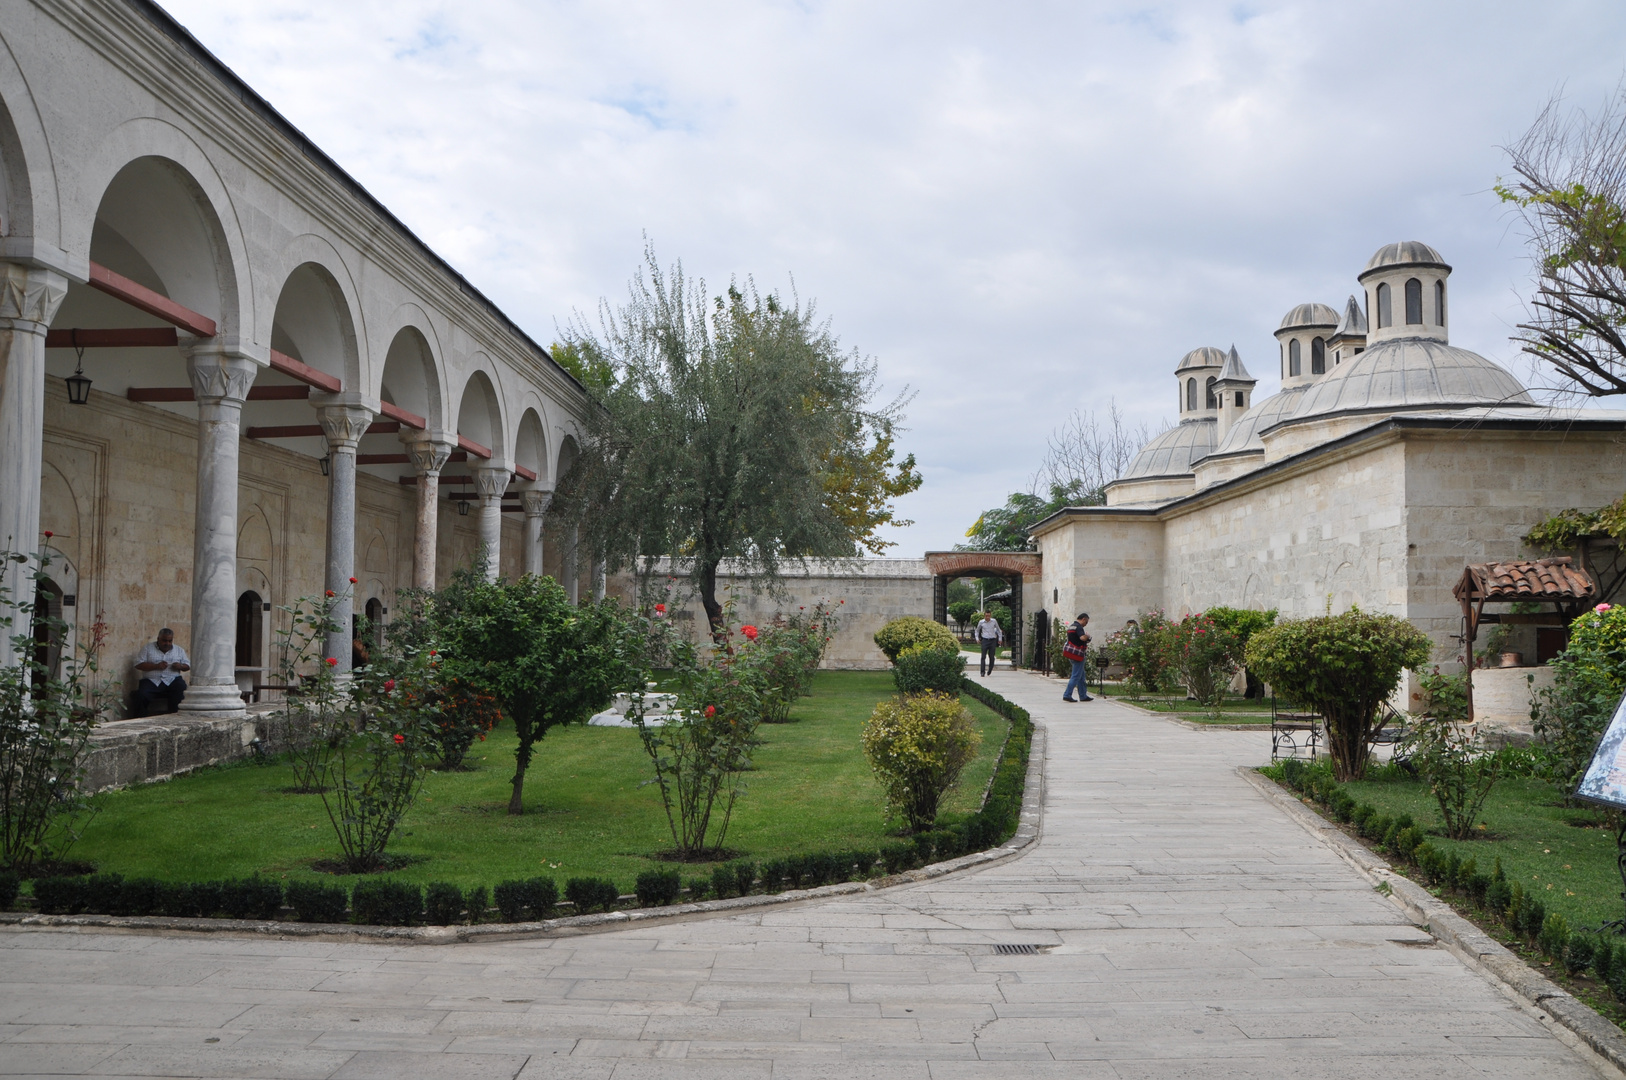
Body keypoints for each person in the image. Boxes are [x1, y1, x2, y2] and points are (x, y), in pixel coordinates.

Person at [132, 627, 190, 716]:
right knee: (141, 695)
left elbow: (187, 666)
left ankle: (175, 716)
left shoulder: (179, 650)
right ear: (158, 639)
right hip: (152, 681)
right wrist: (156, 666)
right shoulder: (147, 648)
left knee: (181, 689)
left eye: (169, 641)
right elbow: (138, 664)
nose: (167, 643)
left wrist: (180, 666)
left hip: (172, 680)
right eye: (164, 641)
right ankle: (140, 718)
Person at [1062, 612, 1093, 702]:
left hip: (1071, 653)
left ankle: (1083, 695)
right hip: (1078, 654)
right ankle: (1067, 694)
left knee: (1081, 676)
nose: (1085, 624)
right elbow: (1082, 638)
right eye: (1086, 622)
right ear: (1083, 619)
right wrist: (1087, 636)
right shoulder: (1079, 627)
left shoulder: (1071, 626)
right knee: (1075, 676)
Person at [973, 611, 1004, 677]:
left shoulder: (994, 621)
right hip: (985, 640)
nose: (987, 617)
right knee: (983, 656)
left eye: (989, 616)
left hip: (992, 640)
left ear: (990, 615)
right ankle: (982, 672)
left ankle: (990, 669)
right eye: (986, 616)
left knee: (992, 656)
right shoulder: (981, 622)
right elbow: (977, 630)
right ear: (984, 616)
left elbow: (998, 630)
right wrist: (977, 638)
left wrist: (1000, 639)